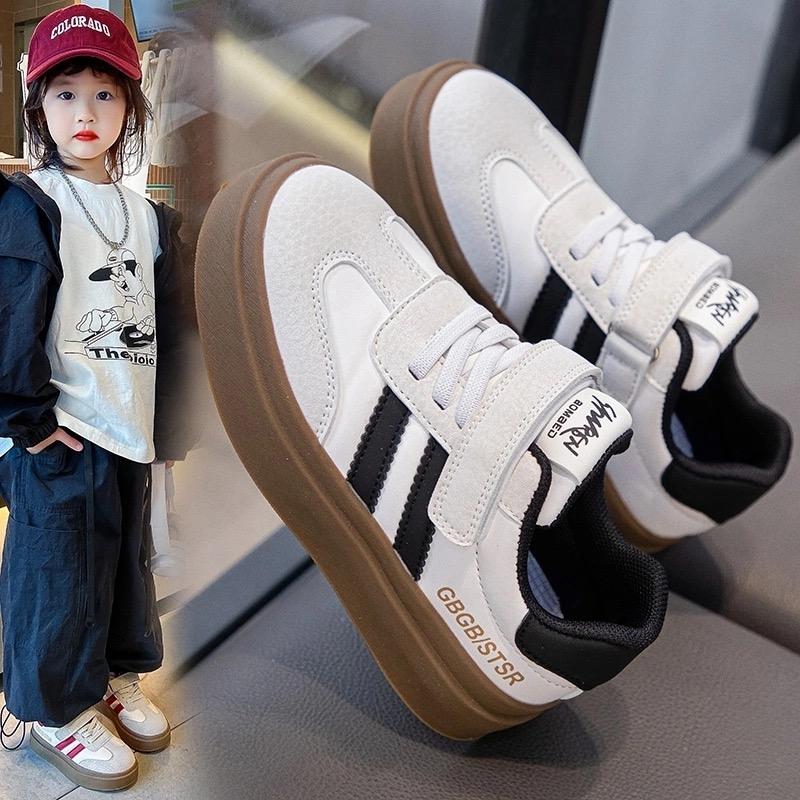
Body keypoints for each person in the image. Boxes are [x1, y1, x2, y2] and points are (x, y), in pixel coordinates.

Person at [0, 6, 190, 792]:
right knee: (57, 569)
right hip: (63, 428)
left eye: (106, 94)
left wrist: (167, 426)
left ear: (132, 106)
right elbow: (11, 314)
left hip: (126, 424)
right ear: (39, 106)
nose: (86, 111)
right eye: (66, 93)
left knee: (121, 567)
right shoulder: (31, 202)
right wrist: (26, 420)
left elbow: (172, 326)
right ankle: (52, 709)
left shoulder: (149, 217)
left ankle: (111, 674)